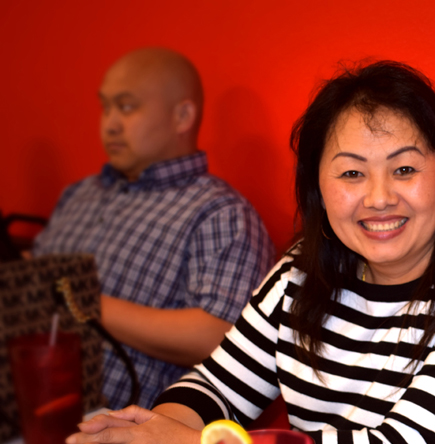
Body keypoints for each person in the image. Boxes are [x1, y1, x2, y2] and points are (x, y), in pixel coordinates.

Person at [63, 61, 435, 444]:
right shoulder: (299, 272)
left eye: (404, 170)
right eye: (351, 173)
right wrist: (145, 442)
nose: (379, 197)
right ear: (318, 189)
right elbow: (217, 386)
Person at [32, 48, 275, 409]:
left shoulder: (219, 212)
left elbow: (222, 337)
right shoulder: (80, 194)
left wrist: (80, 300)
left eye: (127, 107)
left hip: (117, 426)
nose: (110, 124)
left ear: (182, 116)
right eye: (106, 107)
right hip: (29, 404)